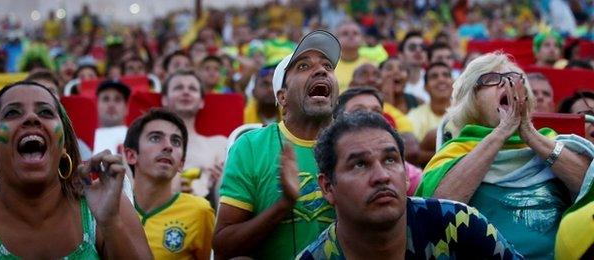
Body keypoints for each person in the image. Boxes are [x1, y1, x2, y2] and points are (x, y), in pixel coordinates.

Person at [415, 52, 594, 259]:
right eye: (493, 79)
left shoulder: (549, 140)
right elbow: (438, 208)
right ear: (472, 97)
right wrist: (502, 132)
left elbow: (588, 186)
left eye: (515, 78)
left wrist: (529, 133)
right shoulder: (457, 150)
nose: (507, 83)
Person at [299, 111, 522, 259]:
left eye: (390, 160)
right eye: (359, 164)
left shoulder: (458, 225)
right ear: (328, 187)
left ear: (406, 174)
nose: (381, 176)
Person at [0, 81, 151, 259]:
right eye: (12, 112)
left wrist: (111, 223)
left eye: (45, 112)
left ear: (64, 144)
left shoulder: (107, 203)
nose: (32, 118)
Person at [214, 30, 340, 260]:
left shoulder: (358, 141)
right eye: (303, 66)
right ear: (282, 97)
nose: (321, 70)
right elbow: (224, 248)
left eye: (328, 66)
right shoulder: (251, 147)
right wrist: (283, 205)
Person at [124, 108, 214, 260]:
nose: (168, 146)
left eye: (176, 141)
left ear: (181, 164)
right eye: (155, 138)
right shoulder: (112, 211)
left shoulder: (200, 211)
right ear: (131, 155)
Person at [333, 87, 422, 196]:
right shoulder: (323, 160)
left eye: (376, 112)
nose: (370, 117)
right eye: (359, 111)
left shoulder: (408, 172)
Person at [161, 70, 228, 199]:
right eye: (178, 87)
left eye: (192, 88)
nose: (186, 92)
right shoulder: (149, 143)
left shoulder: (219, 143)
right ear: (164, 99)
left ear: (202, 101)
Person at [407, 62, 453, 145]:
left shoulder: (465, 112)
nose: (441, 80)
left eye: (446, 75)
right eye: (434, 77)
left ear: (453, 83)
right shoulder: (414, 115)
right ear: (425, 87)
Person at [333, 21, 373, 92]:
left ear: (362, 39)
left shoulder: (371, 65)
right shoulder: (329, 67)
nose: (351, 36)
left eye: (355, 33)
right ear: (336, 39)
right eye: (345, 33)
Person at [93, 80, 130, 155]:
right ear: (97, 105)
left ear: (126, 108)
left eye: (117, 99)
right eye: (106, 99)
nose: (111, 104)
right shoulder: (85, 140)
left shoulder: (137, 137)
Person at [399, 31, 429, 102]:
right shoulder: (396, 82)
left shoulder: (432, 79)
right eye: (412, 47)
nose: (418, 50)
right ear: (401, 55)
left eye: (422, 47)